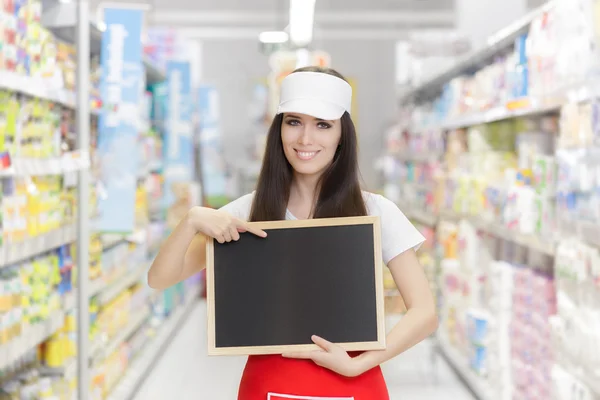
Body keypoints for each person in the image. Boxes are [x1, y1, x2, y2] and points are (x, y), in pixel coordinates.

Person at [148, 66, 438, 399]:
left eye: (323, 125)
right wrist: (191, 221)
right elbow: (160, 279)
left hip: (352, 384)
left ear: (342, 134)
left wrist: (360, 365)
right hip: (268, 385)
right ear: (279, 129)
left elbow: (424, 313)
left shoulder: (375, 211)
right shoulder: (247, 211)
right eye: (294, 121)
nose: (305, 139)